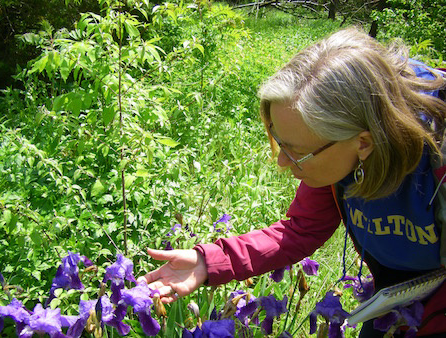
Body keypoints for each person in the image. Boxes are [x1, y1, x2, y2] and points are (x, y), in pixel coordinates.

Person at [138, 27, 446, 336]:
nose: (282, 162)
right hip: (394, 298)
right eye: (280, 143)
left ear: (364, 142)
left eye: (297, 152)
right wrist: (208, 262)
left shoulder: (436, 167)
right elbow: (301, 229)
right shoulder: (343, 142)